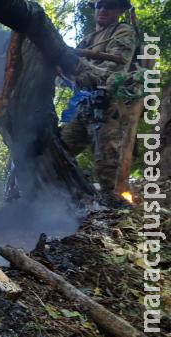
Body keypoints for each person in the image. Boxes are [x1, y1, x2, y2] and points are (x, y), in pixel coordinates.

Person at [60, 0, 138, 207]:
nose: (103, 10)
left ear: (120, 11)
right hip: (83, 103)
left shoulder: (122, 32)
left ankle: (114, 209)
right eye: (99, 6)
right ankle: (66, 197)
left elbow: (113, 70)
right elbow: (65, 75)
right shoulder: (88, 40)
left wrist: (78, 71)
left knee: (107, 161)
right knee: (61, 149)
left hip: (108, 103)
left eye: (110, 6)